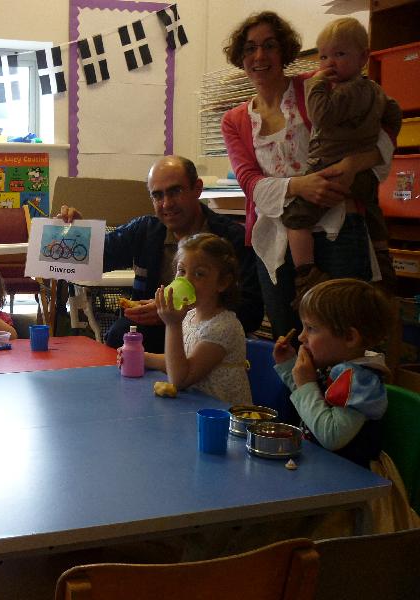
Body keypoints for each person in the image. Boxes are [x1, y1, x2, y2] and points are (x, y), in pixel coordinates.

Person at [221, 11, 396, 340]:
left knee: (345, 333)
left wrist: (354, 165)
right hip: (274, 238)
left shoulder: (318, 85)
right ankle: (299, 394)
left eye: (269, 45)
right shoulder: (234, 120)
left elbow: (382, 114)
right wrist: (302, 186)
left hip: (337, 226)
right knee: (288, 335)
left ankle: (350, 393)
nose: (259, 56)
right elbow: (248, 181)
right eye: (250, 48)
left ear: (284, 50)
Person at [58, 155, 263, 353]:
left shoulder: (231, 238)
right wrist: (76, 233)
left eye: (175, 191)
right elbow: (96, 258)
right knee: (120, 335)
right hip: (153, 332)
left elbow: (251, 311)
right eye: (157, 195)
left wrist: (178, 311)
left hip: (207, 334)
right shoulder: (145, 230)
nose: (166, 204)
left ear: (197, 189)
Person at [273, 279, 420, 531]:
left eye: (312, 328)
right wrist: (290, 368)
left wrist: (306, 383)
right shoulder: (334, 367)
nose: (301, 336)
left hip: (353, 491)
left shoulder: (361, 380)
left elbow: (332, 435)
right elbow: (313, 406)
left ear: (350, 337)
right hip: (323, 473)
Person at [280, 18, 402, 307]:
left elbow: (321, 115)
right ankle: (383, 264)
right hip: (363, 176)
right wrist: (372, 144)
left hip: (330, 167)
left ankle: (305, 275)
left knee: (295, 218)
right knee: (372, 214)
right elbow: (394, 113)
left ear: (363, 57)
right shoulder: (375, 91)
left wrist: (316, 84)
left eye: (340, 54)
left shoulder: (347, 90)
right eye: (323, 56)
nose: (329, 63)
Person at [131, 234, 251, 405]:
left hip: (223, 419)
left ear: (223, 283)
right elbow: (179, 362)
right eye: (182, 271)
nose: (187, 280)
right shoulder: (190, 314)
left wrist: (172, 325)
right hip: (193, 408)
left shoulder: (223, 327)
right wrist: (141, 356)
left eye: (199, 274)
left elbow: (180, 379)